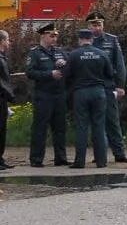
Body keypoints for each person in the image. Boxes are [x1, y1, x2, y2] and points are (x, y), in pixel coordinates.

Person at [85, 12, 127, 163]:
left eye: (99, 24)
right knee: (96, 122)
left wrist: (120, 85)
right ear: (88, 26)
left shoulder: (112, 40)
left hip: (108, 86)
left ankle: (120, 154)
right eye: (93, 25)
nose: (96, 28)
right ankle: (100, 154)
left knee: (112, 121)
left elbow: (120, 64)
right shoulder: (85, 40)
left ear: (103, 25)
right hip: (91, 86)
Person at [65, 28, 115, 169]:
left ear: (80, 40)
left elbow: (67, 75)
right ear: (92, 39)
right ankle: (101, 161)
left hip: (81, 92)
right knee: (99, 127)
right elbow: (110, 73)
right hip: (99, 92)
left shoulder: (74, 55)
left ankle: (79, 162)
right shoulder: (102, 54)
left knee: (82, 127)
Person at [26, 24, 68, 168]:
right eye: (51, 35)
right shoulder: (35, 53)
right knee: (40, 128)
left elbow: (71, 68)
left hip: (59, 94)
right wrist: (49, 74)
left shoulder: (60, 52)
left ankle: (61, 158)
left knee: (60, 127)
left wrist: (65, 64)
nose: (54, 38)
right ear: (43, 35)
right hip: (43, 95)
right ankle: (36, 159)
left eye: (56, 35)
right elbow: (30, 73)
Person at [0, 30, 13, 171]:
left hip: (3, 98)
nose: (9, 42)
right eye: (7, 39)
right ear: (2, 41)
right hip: (1, 96)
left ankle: (1, 159)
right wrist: (10, 95)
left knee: (3, 129)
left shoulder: (2, 57)